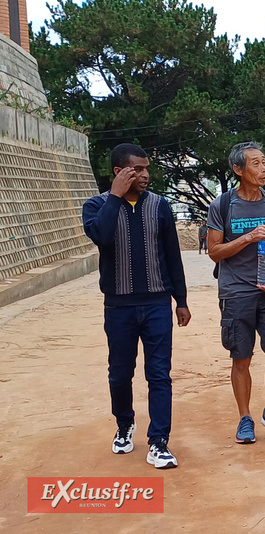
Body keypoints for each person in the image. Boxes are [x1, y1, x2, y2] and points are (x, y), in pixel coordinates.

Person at [82, 143, 191, 469]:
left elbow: (173, 256)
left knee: (159, 375)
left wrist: (181, 300)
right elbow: (100, 235)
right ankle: (124, 423)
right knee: (119, 375)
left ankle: (159, 442)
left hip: (157, 304)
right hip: (119, 308)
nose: (145, 175)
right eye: (136, 169)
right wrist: (115, 196)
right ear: (119, 172)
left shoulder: (160, 206)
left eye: (146, 168)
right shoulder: (96, 205)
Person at [207, 141, 265, 444]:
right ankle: (245, 418)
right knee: (241, 358)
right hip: (235, 292)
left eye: (264, 162)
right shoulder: (222, 205)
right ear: (238, 169)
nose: (263, 169)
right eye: (255, 163)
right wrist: (249, 236)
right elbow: (214, 251)